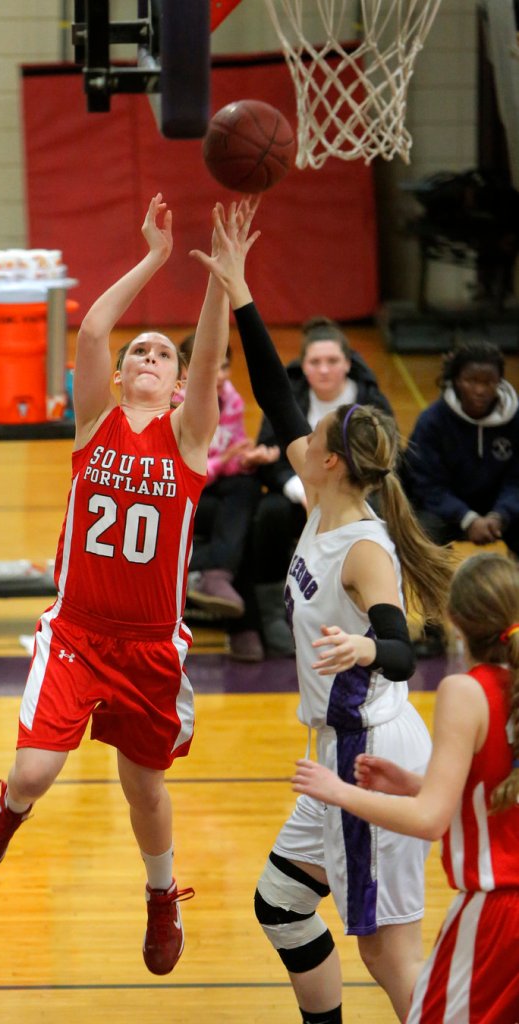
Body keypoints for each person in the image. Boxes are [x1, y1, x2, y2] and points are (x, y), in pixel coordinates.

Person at [190, 200, 454, 1023]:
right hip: (335, 754)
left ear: (333, 459)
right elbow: (274, 386)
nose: (303, 431)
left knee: (387, 953)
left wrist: (364, 652)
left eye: (317, 432)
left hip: (368, 754)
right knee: (282, 905)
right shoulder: (322, 494)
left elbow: (406, 652)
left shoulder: (364, 547)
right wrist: (238, 290)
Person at [0, 193, 234, 977]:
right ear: (119, 375)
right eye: (139, 353)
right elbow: (87, 329)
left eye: (163, 357)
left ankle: (159, 898)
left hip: (149, 648)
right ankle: (6, 811)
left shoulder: (188, 444)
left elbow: (212, 358)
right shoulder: (94, 425)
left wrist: (220, 280)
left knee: (144, 792)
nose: (149, 359)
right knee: (35, 771)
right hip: (77, 633)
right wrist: (153, 257)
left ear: (181, 387)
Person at [292, 551, 519, 1023]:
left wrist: (338, 791)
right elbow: (497, 791)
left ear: (455, 621)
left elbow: (430, 821)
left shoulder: (466, 690)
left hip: (500, 914)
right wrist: (416, 783)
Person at [251, 318, 395, 658]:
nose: (325, 369)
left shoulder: (371, 402)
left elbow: (387, 462)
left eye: (332, 361)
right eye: (315, 362)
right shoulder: (293, 396)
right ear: (304, 365)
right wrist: (299, 490)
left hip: (358, 500)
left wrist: (346, 499)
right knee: (268, 514)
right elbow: (269, 457)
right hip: (300, 496)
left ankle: (383, 615)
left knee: (389, 519)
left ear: (347, 363)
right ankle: (272, 616)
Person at [403, 338, 519, 657]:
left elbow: (517, 480)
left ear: (500, 382)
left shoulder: (516, 420)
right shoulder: (433, 421)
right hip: (448, 510)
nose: (480, 390)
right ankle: (431, 628)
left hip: (501, 511)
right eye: (472, 381)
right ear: (455, 381)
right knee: (423, 533)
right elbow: (426, 484)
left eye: (489, 382)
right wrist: (467, 519)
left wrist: (500, 515)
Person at [179, 334, 279, 664]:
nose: (220, 374)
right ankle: (243, 626)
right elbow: (181, 472)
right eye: (211, 366)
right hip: (182, 495)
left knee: (247, 486)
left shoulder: (231, 399)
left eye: (224, 366)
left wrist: (246, 459)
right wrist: (223, 464)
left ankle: (215, 574)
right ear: (187, 368)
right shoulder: (175, 403)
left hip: (216, 485)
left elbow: (230, 456)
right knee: (242, 526)